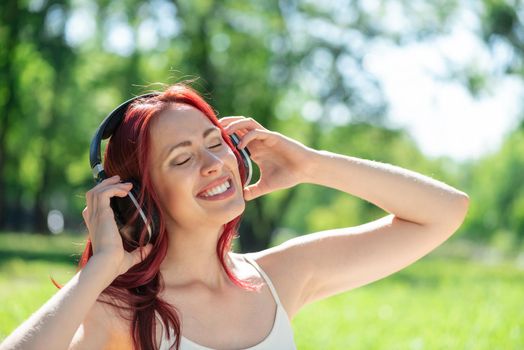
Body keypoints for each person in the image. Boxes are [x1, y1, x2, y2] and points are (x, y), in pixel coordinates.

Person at [0, 83, 469, 350]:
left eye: (214, 142)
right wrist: (99, 271)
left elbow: (444, 212)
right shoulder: (118, 309)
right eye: (181, 159)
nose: (212, 164)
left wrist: (312, 165)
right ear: (138, 197)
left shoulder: (280, 277)